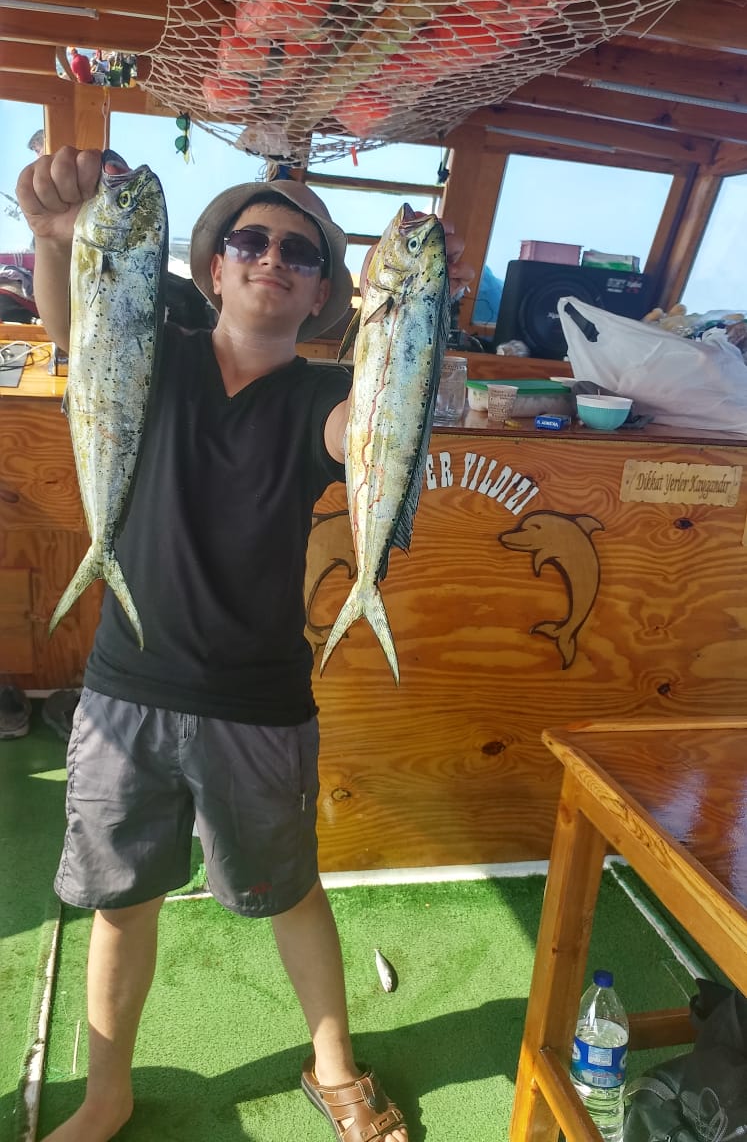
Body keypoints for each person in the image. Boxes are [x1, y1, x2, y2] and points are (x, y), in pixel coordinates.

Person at [16, 145, 473, 1142]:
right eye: (251, 240)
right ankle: (107, 1093)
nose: (273, 257)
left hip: (260, 702)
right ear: (213, 266)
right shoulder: (156, 350)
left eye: (300, 252)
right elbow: (75, 327)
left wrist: (420, 337)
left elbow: (366, 431)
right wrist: (55, 242)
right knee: (122, 903)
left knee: (289, 892)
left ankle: (333, 1065)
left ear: (323, 294)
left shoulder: (321, 397)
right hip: (125, 689)